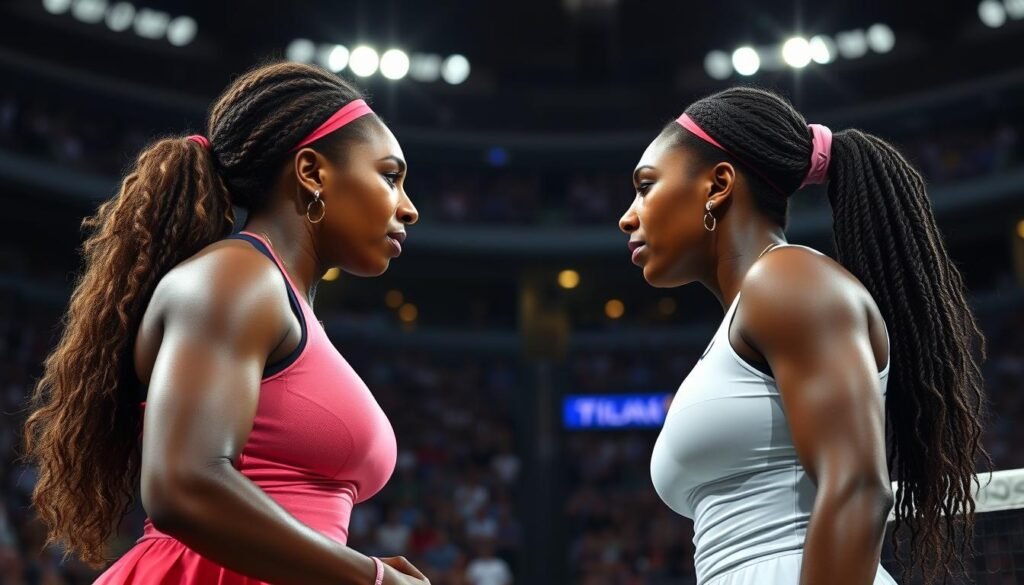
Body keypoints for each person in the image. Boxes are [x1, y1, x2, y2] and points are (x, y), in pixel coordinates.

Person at [24, 62, 429, 585]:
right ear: (312, 172)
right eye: (390, 177)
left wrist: (349, 569)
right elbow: (183, 485)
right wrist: (370, 577)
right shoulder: (237, 277)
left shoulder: (273, 295)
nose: (409, 209)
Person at [619, 87, 988, 585]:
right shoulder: (755, 309)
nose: (628, 215)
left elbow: (858, 488)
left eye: (645, 186)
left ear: (719, 184)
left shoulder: (788, 281)